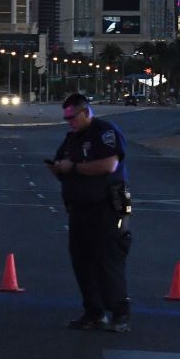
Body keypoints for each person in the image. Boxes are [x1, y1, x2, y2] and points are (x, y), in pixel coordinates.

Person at [49, 92, 132, 333]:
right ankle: (93, 312)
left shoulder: (104, 132)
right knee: (82, 261)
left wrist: (73, 167)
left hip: (107, 207)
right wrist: (59, 169)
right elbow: (60, 163)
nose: (70, 122)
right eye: (66, 118)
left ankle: (120, 313)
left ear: (86, 112)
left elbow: (109, 165)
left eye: (73, 117)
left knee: (108, 260)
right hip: (79, 208)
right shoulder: (72, 138)